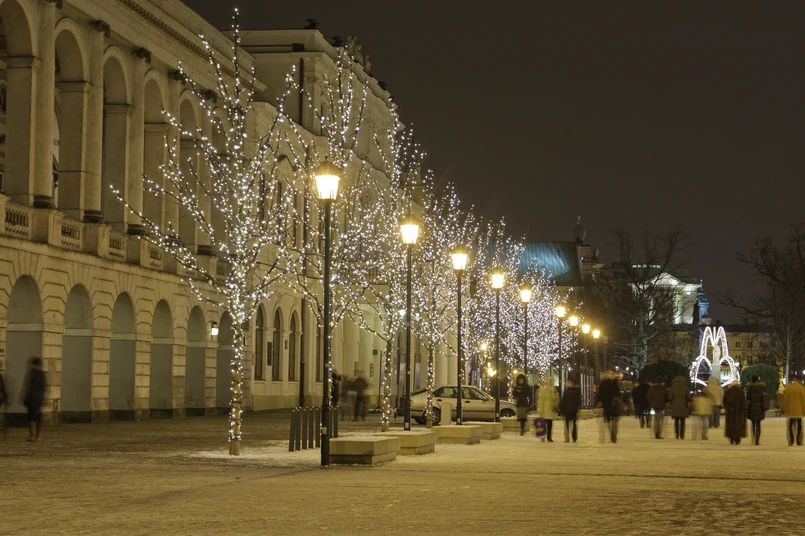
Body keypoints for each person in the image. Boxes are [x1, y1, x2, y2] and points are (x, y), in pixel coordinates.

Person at [22, 357, 47, 442]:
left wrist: (25, 397)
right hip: (39, 398)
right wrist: (44, 397)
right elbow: (44, 387)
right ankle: (37, 436)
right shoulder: (42, 374)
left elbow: (29, 387)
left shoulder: (32, 373)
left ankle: (32, 435)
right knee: (38, 417)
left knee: (31, 417)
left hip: (32, 398)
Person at [596, 370, 622, 444]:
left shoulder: (617, 383)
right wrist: (599, 401)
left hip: (614, 405)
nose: (611, 375)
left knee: (615, 422)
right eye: (609, 374)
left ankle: (614, 436)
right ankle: (612, 435)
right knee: (608, 421)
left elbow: (619, 393)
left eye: (612, 374)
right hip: (606, 404)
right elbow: (600, 393)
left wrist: (618, 399)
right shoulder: (604, 383)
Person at [782, 372, 805, 446]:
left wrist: (785, 409)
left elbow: (785, 400)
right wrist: (803, 410)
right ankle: (799, 441)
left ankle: (791, 441)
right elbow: (803, 400)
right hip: (799, 410)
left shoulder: (788, 388)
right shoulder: (801, 388)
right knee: (799, 427)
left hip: (790, 410)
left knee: (790, 427)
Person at [746, 375, 768, 446]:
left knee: (753, 424)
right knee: (758, 424)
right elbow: (765, 396)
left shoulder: (750, 387)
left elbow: (748, 398)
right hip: (760, 408)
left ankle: (753, 437)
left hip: (752, 407)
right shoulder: (762, 387)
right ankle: (757, 440)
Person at [723, 380, 747, 445]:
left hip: (730, 411)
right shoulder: (740, 391)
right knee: (738, 425)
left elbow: (724, 401)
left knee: (730, 425)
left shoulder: (727, 391)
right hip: (739, 412)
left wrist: (726, 407)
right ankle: (737, 439)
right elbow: (743, 401)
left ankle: (731, 438)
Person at [537, 377, 559, 442]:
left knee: (550, 425)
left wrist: (556, 396)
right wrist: (540, 411)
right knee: (544, 425)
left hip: (550, 410)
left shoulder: (553, 390)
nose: (552, 383)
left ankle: (549, 437)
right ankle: (543, 436)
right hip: (545, 410)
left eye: (552, 381)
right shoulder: (544, 390)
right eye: (551, 381)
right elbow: (541, 401)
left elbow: (554, 400)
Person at [669, 375, 691, 440]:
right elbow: (688, 397)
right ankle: (682, 435)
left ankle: (677, 435)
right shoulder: (686, 388)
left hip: (675, 404)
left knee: (676, 421)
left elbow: (670, 397)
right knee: (682, 421)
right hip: (683, 405)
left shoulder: (673, 388)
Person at [560, 378, 582, 443]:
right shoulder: (566, 391)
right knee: (566, 425)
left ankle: (574, 438)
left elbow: (578, 400)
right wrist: (561, 409)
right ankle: (567, 438)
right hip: (567, 411)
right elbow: (563, 401)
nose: (568, 384)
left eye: (570, 383)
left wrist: (577, 407)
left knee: (574, 425)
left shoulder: (576, 391)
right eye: (568, 383)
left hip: (573, 411)